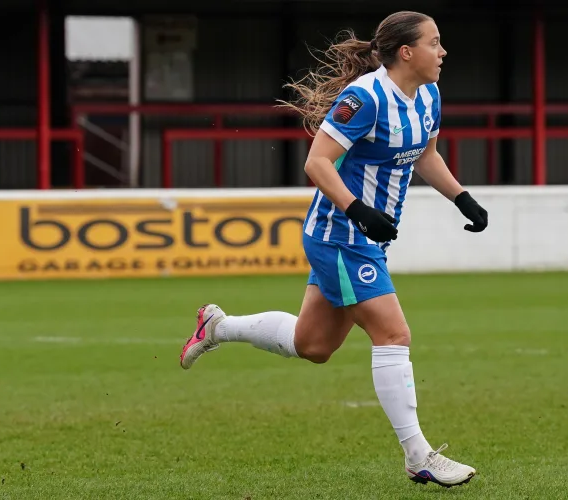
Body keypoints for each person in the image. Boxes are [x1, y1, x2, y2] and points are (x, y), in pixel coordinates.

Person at [179, 11, 487, 488]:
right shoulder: (364, 97)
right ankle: (418, 456)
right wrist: (358, 210)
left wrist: (462, 198)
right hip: (340, 236)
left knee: (314, 345)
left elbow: (425, 153)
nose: (442, 51)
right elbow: (317, 162)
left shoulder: (428, 96)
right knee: (393, 335)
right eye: (435, 42)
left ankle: (218, 325)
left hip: (366, 239)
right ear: (406, 52)